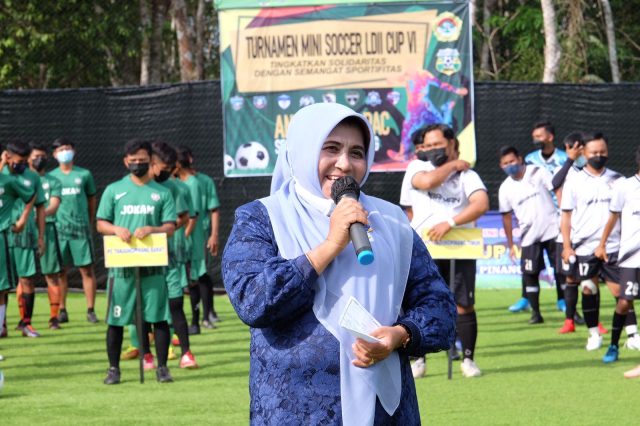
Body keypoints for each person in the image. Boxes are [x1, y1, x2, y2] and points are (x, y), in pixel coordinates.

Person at [223, 103, 456, 425]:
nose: (344, 164)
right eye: (330, 149)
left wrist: (401, 334)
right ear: (302, 150)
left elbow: (439, 307)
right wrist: (330, 245)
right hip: (296, 409)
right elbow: (254, 302)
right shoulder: (261, 217)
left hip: (385, 410)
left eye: (357, 152)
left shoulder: (392, 222)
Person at [399, 123, 489, 378]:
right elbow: (427, 182)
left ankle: (468, 360)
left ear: (452, 144)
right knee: (417, 303)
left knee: (464, 304)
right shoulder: (418, 166)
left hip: (460, 248)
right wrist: (453, 164)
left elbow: (481, 203)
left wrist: (451, 223)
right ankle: (418, 359)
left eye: (438, 144)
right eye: (428, 145)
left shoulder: (467, 176)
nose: (432, 150)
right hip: (423, 250)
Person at [96, 139, 176, 384]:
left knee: (158, 317)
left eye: (142, 159)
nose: (137, 163)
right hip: (122, 268)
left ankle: (162, 368)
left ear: (150, 161)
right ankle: (113, 370)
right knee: (116, 319)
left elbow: (171, 226)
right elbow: (101, 223)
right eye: (133, 160)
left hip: (152, 266)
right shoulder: (114, 190)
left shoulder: (162, 192)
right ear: (125, 162)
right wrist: (115, 229)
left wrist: (152, 228)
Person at [560, 132, 638, 353]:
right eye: (594, 152)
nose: (599, 155)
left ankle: (632, 334)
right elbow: (565, 216)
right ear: (584, 153)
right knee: (588, 289)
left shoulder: (618, 180)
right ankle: (593, 333)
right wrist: (567, 246)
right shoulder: (573, 181)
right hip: (585, 246)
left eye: (603, 152)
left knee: (621, 293)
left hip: (613, 246)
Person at [510, 121, 568, 313]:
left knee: (559, 262)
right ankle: (526, 298)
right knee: (529, 263)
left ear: (550, 137)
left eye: (539, 136)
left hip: (560, 215)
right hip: (535, 215)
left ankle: (563, 298)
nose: (535, 140)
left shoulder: (564, 158)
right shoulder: (530, 158)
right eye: (534, 137)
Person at [498, 146, 559, 324]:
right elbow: (507, 217)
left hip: (553, 229)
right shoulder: (505, 188)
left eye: (512, 161)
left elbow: (557, 189)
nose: (510, 165)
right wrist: (510, 244)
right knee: (530, 273)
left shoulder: (538, 172)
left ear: (520, 158)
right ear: (501, 166)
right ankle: (536, 313)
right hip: (529, 236)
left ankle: (568, 309)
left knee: (561, 270)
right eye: (505, 163)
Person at [595, 146, 640, 368]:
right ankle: (613, 345)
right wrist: (602, 244)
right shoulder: (625, 187)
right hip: (632, 258)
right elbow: (612, 218)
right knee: (624, 302)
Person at [49, 138, 98, 323]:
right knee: (60, 271)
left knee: (86, 269)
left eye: (67, 148)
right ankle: (62, 309)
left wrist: (90, 221)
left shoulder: (84, 174)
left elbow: (91, 199)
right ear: (54, 154)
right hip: (59, 230)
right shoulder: (51, 177)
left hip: (80, 230)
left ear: (74, 151)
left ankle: (91, 309)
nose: (64, 152)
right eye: (60, 149)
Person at [1, 141, 46, 337]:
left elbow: (39, 205)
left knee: (26, 279)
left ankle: (25, 323)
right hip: (4, 234)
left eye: (25, 161)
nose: (22, 165)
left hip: (24, 235)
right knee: (3, 284)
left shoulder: (32, 177)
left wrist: (41, 236)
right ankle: (2, 326)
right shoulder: (2, 174)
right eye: (18, 161)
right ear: (8, 157)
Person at [29, 143, 64, 330]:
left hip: (48, 230)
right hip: (25, 231)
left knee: (51, 275)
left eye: (42, 156)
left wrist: (39, 215)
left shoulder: (53, 181)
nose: (38, 159)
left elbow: (53, 205)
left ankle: (53, 318)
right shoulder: (20, 180)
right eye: (35, 156)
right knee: (24, 277)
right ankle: (24, 320)